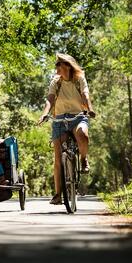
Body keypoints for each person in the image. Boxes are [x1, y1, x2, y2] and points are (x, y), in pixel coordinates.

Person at [38, 53, 96, 205]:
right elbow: (50, 99)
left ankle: (83, 159)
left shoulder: (79, 79)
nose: (56, 67)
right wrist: (44, 114)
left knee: (82, 134)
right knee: (58, 157)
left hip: (78, 116)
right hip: (60, 120)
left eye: (58, 64)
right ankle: (58, 194)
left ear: (68, 66)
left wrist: (89, 108)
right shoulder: (55, 82)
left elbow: (85, 95)